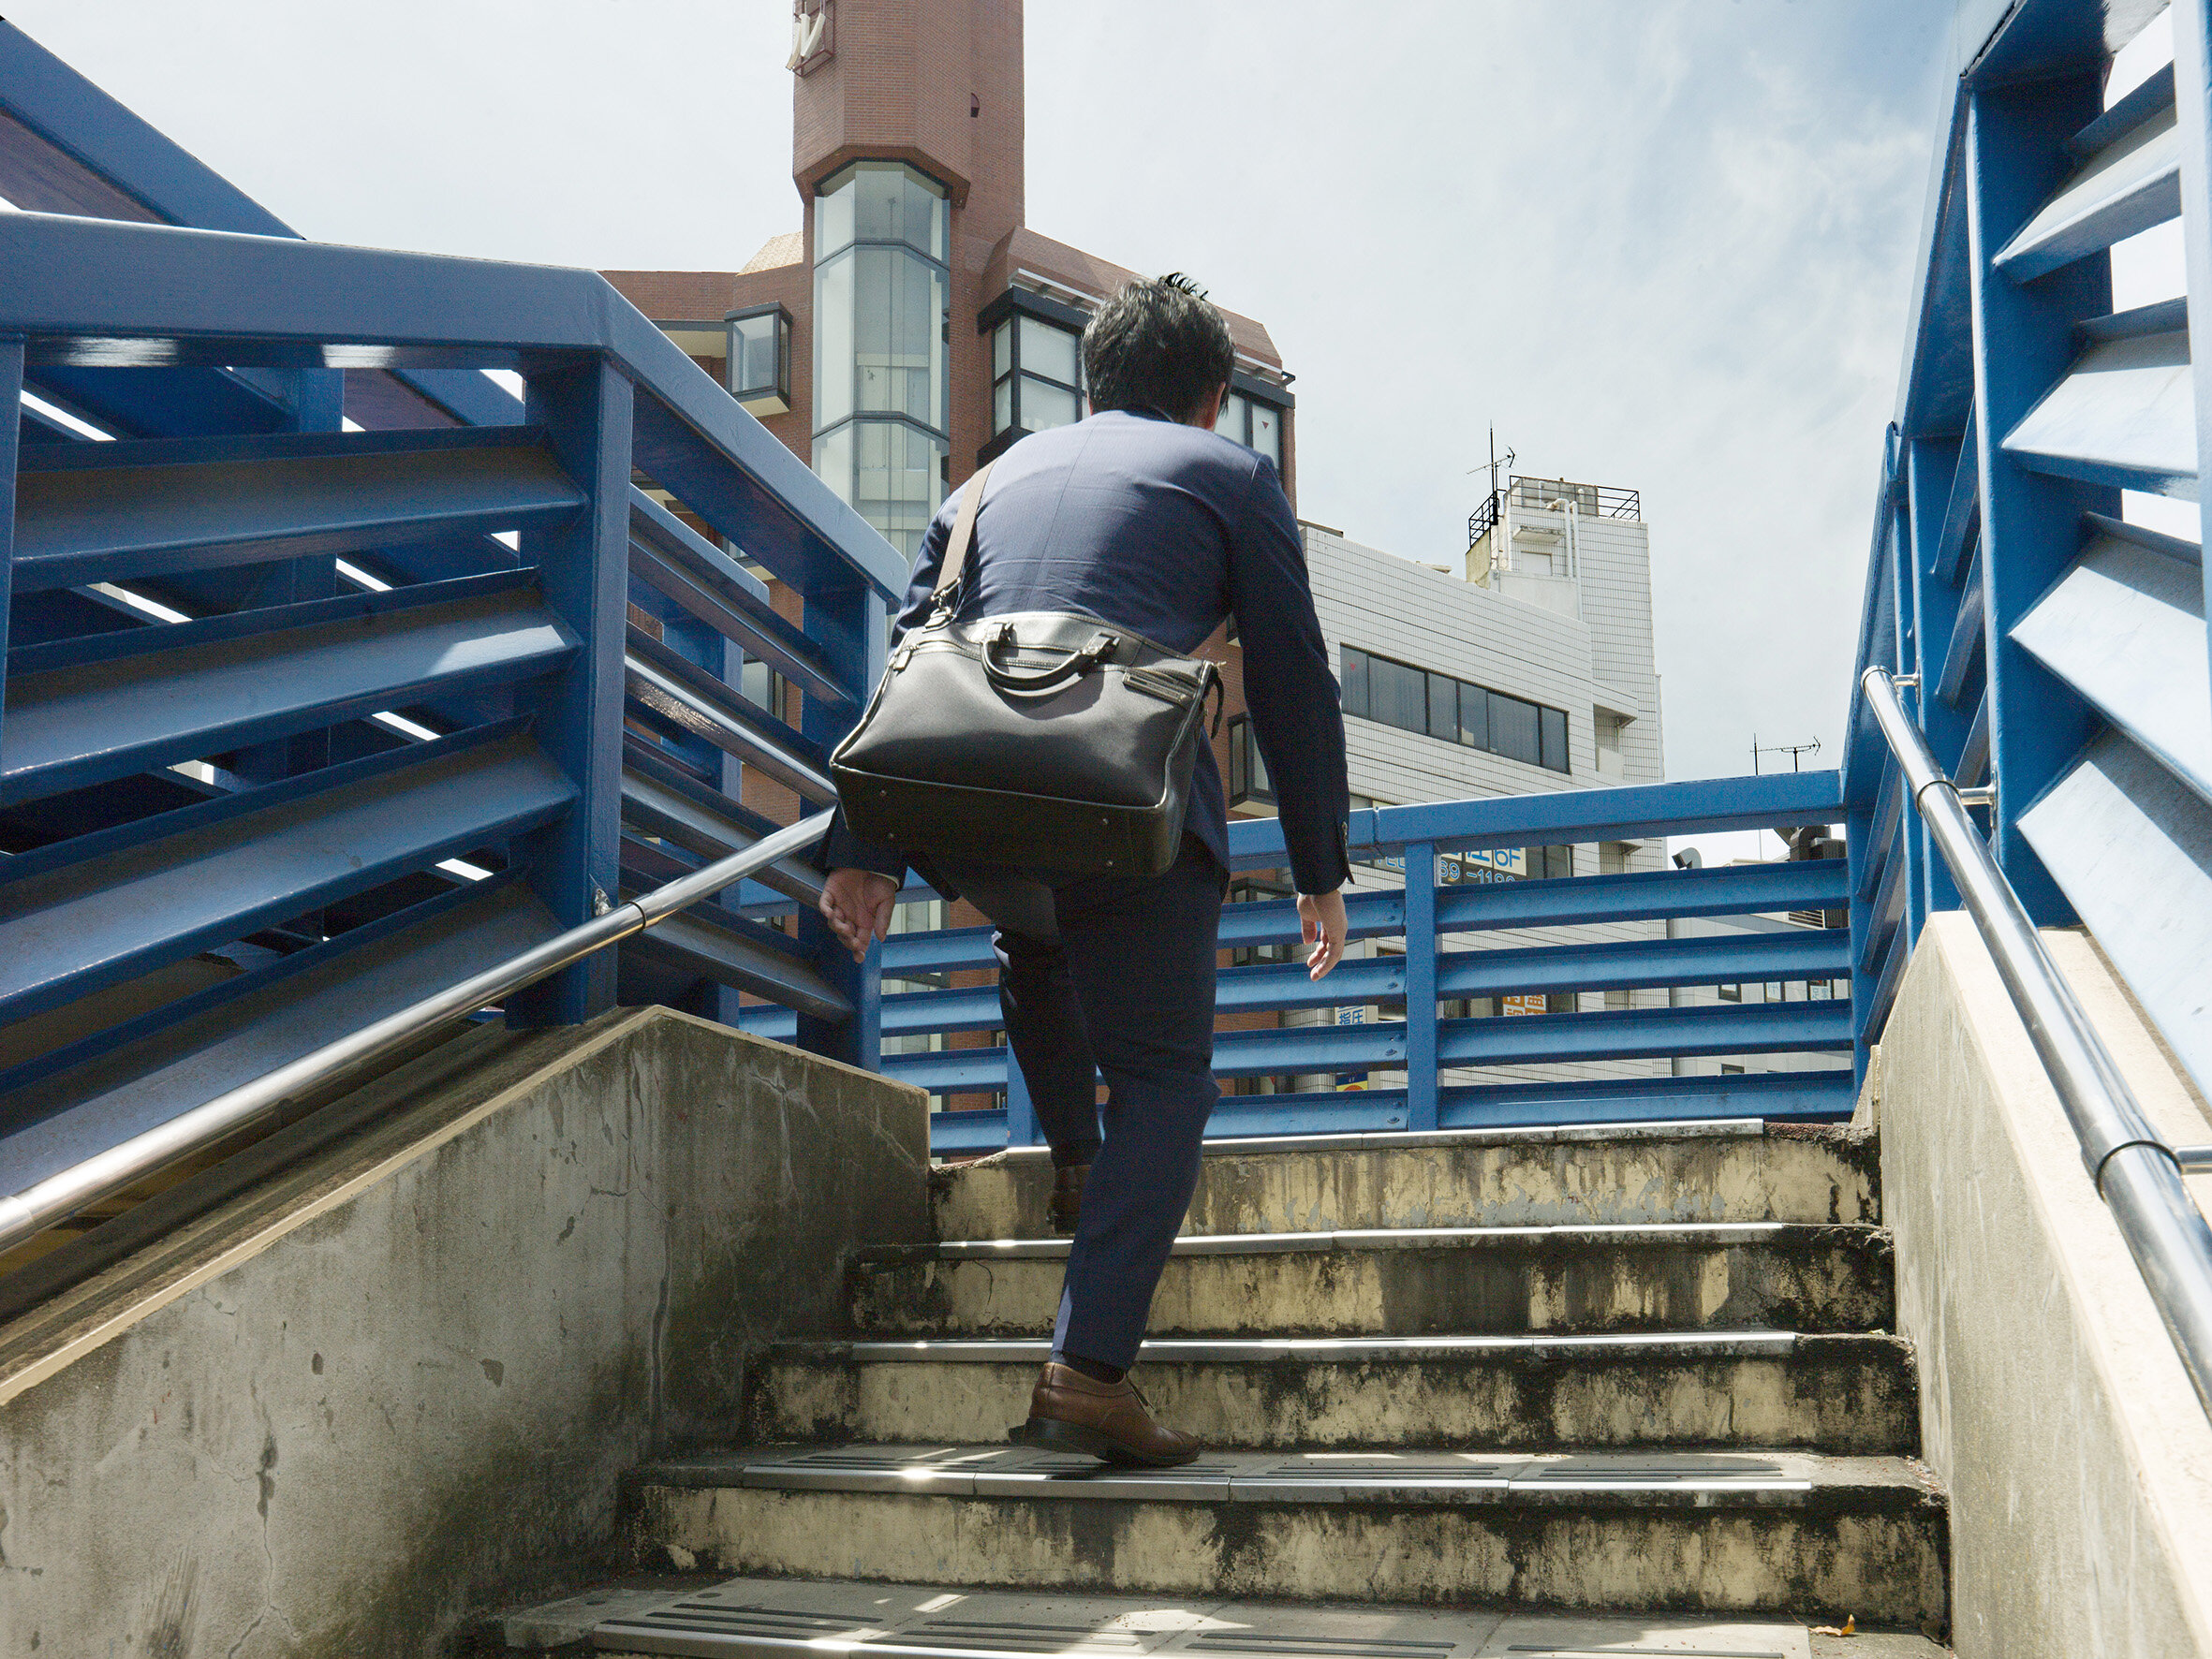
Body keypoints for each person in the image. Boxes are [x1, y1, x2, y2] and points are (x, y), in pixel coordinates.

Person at [818, 273, 1350, 1467]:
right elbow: (1296, 675)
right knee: (1163, 1079)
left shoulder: (978, 488)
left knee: (1036, 940)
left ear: (1092, 385)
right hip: (1119, 794)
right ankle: (1086, 1373)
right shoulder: (1229, 476)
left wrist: (863, 852)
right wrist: (1320, 864)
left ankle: (1072, 1168)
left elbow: (908, 655)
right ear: (1211, 400)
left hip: (973, 802)